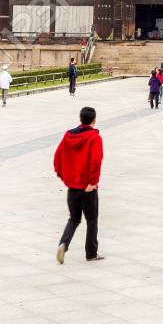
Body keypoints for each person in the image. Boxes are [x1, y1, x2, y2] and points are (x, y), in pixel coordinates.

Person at [54, 106, 103, 263]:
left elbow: (57, 158)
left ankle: (63, 244)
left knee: (74, 219)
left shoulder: (68, 136)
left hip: (72, 188)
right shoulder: (94, 138)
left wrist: (64, 177)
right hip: (88, 188)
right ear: (94, 120)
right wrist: (93, 182)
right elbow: (95, 161)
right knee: (92, 220)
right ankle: (91, 253)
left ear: (80, 118)